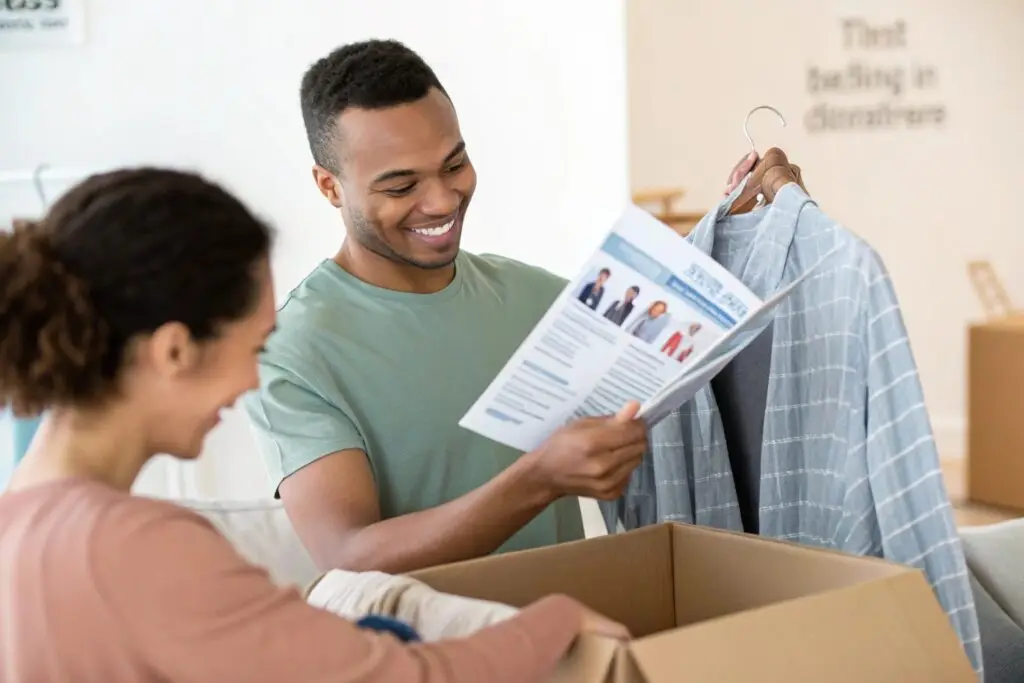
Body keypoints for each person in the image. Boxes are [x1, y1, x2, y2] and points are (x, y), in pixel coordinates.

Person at [0, 168, 629, 683]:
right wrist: (555, 621)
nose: (253, 382)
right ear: (173, 352)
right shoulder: (139, 548)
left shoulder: (20, 519)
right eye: (253, 348)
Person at [244, 39, 763, 575]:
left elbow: (690, 350)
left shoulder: (538, 301)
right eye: (401, 185)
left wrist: (739, 229)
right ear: (330, 187)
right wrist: (539, 479)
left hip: (578, 638)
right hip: (426, 655)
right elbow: (347, 554)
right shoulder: (293, 353)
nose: (442, 200)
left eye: (455, 164)